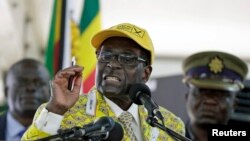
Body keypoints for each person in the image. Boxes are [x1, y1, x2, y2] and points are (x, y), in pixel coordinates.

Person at [22, 23, 185, 141]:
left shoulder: (170, 124)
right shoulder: (60, 113)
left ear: (146, 73)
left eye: (127, 58)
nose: (112, 64)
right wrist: (56, 109)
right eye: (106, 56)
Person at [182, 51, 248, 141]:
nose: (210, 101)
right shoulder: (164, 137)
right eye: (202, 92)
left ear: (234, 104)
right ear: (187, 98)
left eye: (220, 94)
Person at [0, 58, 51, 141]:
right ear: (6, 91)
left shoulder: (66, 131)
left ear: (50, 92)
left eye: (38, 83)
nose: (30, 88)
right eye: (22, 82)